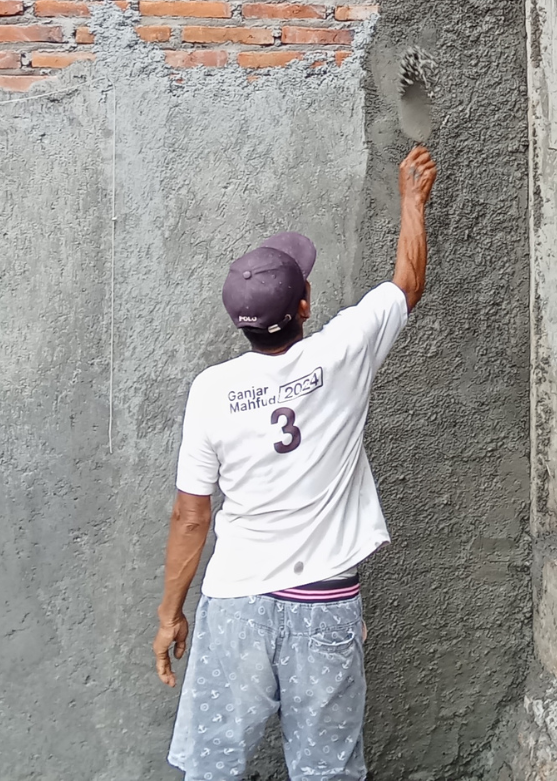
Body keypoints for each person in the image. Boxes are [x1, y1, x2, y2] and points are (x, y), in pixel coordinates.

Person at [155, 145, 439, 781]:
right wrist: (411, 202)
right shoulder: (339, 354)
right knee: (326, 770)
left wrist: (171, 613)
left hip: (234, 603)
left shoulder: (211, 391)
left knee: (212, 767)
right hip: (323, 600)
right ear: (304, 307)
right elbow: (406, 284)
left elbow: (190, 516)